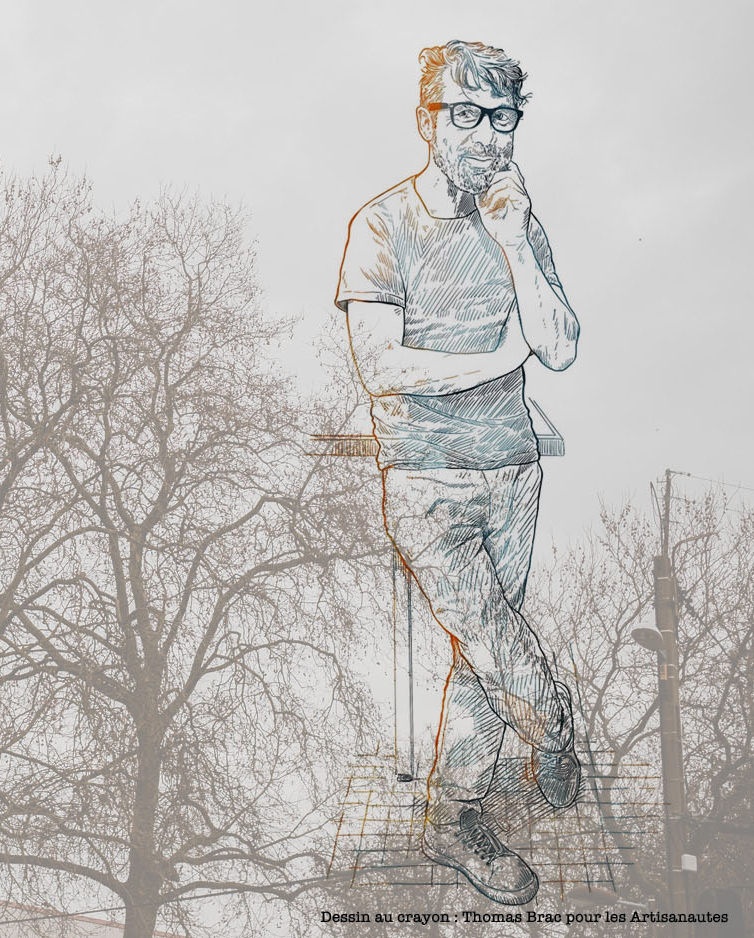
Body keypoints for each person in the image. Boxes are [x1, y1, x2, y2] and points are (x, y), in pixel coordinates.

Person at [334, 39, 582, 906]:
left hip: (511, 469)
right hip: (426, 477)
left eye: (502, 119)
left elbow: (558, 346)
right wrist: (488, 364)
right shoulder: (380, 224)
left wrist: (515, 240)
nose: (486, 137)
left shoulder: (518, 218)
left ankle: (457, 818)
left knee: (477, 659)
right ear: (427, 120)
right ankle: (552, 720)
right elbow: (380, 366)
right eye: (466, 116)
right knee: (485, 633)